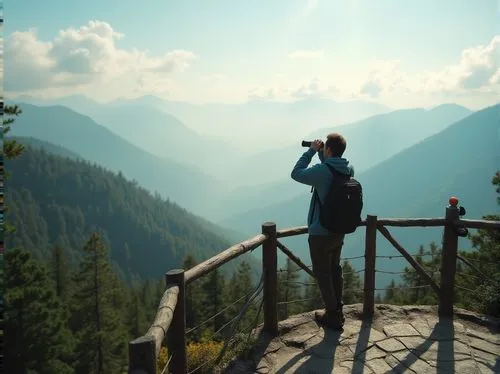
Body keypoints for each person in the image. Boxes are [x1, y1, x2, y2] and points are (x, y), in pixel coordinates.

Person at [290, 133, 354, 330]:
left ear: (328, 150)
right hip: (338, 231)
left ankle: (332, 315)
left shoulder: (323, 171)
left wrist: (310, 151)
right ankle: (338, 309)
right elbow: (329, 169)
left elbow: (297, 173)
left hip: (320, 234)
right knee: (335, 270)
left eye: (325, 147)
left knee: (323, 274)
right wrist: (322, 153)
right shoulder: (348, 169)